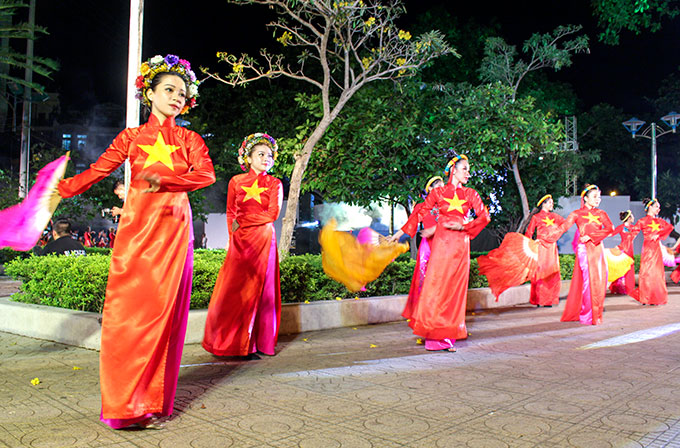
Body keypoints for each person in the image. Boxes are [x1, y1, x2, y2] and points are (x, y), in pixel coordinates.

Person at [56, 54, 215, 429]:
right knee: (126, 313)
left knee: (162, 314)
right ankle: (124, 402)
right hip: (137, 228)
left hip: (173, 229)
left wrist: (170, 182)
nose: (177, 97)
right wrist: (61, 189)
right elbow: (98, 170)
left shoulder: (190, 139)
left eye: (182, 92)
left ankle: (151, 400)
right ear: (151, 93)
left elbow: (206, 175)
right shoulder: (131, 137)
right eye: (169, 90)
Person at [390, 154, 490, 352]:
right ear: (453, 170)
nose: (468, 173)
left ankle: (446, 337)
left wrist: (465, 226)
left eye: (468, 169)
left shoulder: (471, 194)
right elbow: (420, 212)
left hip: (460, 245)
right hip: (442, 245)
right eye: (465, 169)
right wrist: (399, 234)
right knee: (437, 288)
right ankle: (434, 336)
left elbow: (484, 216)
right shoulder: (438, 193)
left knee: (454, 291)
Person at [203, 133, 283, 357]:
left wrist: (243, 222)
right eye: (260, 154)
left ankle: (255, 343)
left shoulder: (274, 183)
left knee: (260, 290)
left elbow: (272, 214)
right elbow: (230, 212)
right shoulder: (236, 181)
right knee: (233, 290)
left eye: (269, 156)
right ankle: (228, 343)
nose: (266, 159)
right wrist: (233, 235)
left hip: (263, 240)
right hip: (240, 241)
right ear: (248, 157)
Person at [559, 184, 613, 325]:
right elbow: (563, 227)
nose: (598, 199)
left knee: (600, 280)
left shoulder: (601, 214)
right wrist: (546, 237)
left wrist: (591, 236)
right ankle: (587, 314)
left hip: (597, 248)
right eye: (595, 196)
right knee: (589, 280)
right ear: (586, 198)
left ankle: (596, 313)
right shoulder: (577, 214)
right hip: (584, 250)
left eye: (599, 197)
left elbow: (610, 228)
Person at [402, 175, 444, 325]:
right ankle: (424, 319)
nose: (441, 188)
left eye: (443, 185)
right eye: (437, 186)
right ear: (430, 189)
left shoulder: (447, 207)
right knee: (425, 283)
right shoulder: (422, 207)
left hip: (444, 248)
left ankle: (440, 321)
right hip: (428, 249)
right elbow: (410, 224)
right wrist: (395, 237)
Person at [524, 194, 565, 307]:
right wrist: (532, 244)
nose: (552, 205)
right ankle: (539, 299)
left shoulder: (555, 216)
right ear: (544, 204)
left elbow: (565, 225)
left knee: (551, 272)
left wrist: (555, 233)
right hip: (541, 247)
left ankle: (548, 300)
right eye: (550, 203)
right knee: (540, 272)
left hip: (551, 247)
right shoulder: (536, 217)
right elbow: (529, 233)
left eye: (552, 203)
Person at [630, 199, 674, 305]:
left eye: (659, 207)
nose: (658, 209)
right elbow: (633, 232)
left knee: (657, 273)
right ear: (650, 207)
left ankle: (655, 297)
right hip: (648, 250)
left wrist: (658, 234)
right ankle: (646, 297)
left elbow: (670, 227)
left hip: (656, 250)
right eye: (656, 207)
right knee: (646, 272)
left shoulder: (659, 221)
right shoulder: (642, 221)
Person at [609, 210, 639, 295]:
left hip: (629, 250)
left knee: (629, 269)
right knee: (622, 269)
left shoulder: (633, 227)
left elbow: (632, 238)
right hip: (623, 250)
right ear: (629, 218)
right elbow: (611, 234)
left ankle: (629, 288)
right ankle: (620, 287)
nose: (633, 218)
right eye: (632, 216)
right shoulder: (621, 227)